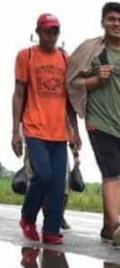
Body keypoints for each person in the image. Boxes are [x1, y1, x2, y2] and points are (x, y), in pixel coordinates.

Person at [66, 2, 120, 247]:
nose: (116, 24)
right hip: (100, 122)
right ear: (102, 22)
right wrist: (95, 80)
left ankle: (107, 228)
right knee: (112, 172)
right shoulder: (89, 50)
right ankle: (115, 226)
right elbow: (72, 84)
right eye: (111, 19)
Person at [12, 13, 81, 245]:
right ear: (38, 32)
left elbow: (70, 99)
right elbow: (19, 93)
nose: (51, 36)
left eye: (55, 31)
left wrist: (75, 131)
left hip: (59, 131)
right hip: (34, 128)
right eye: (47, 31)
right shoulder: (26, 56)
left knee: (58, 183)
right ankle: (28, 217)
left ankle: (51, 230)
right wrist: (15, 131)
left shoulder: (65, 58)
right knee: (42, 175)